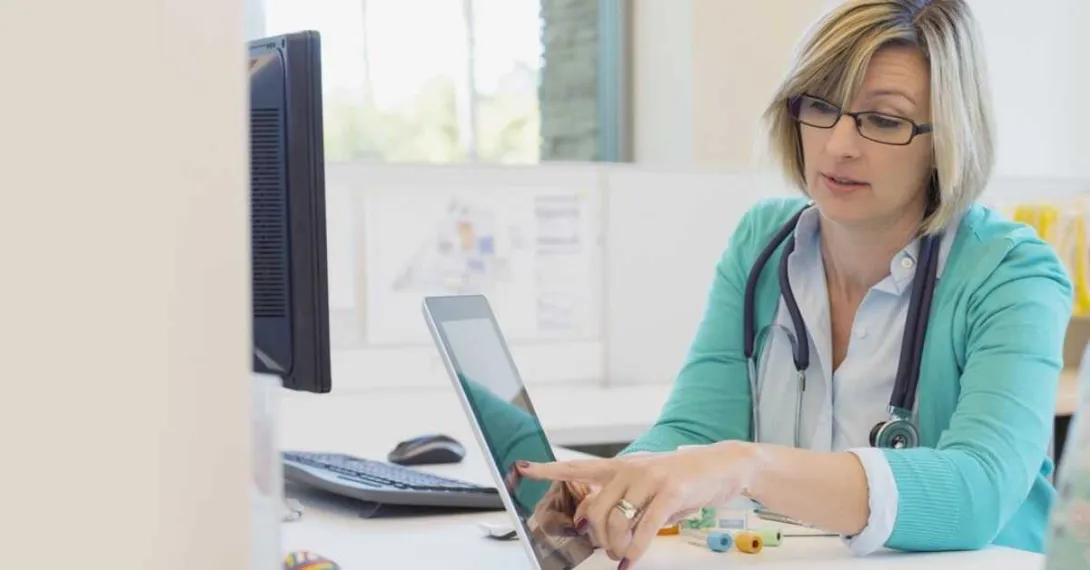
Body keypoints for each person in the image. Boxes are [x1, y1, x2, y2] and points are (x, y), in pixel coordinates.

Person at [517, 1, 1074, 569]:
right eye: (821, 107)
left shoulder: (1012, 274)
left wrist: (748, 466)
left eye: (884, 120)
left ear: (947, 137)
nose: (838, 146)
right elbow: (697, 428)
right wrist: (621, 484)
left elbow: (976, 491)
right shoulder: (763, 244)